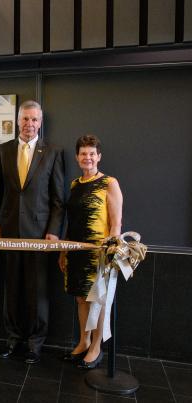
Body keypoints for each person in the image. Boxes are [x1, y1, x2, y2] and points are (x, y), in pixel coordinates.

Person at [0, 100, 65, 364]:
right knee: (11, 288)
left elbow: (59, 198)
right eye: (25, 119)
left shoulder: (54, 151)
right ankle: (12, 339)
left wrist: (54, 232)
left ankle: (35, 344)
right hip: (9, 231)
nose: (29, 124)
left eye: (34, 119)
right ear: (18, 120)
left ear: (40, 121)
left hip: (40, 235)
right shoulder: (3, 150)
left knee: (38, 291)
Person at [58, 135, 123, 369]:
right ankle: (83, 342)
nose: (88, 157)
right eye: (83, 153)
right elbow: (71, 221)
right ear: (77, 157)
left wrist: (111, 249)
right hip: (75, 249)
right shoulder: (75, 184)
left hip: (98, 252)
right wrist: (64, 251)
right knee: (80, 298)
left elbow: (116, 223)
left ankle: (96, 347)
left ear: (99, 157)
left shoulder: (109, 183)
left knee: (98, 300)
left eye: (92, 153)